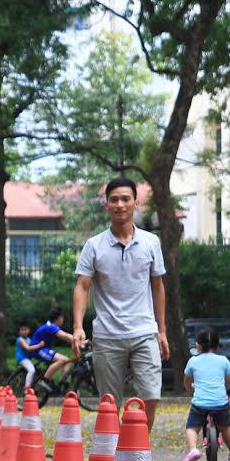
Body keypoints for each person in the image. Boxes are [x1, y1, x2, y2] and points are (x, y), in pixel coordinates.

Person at [71, 176, 170, 432]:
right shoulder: (94, 245)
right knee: (109, 404)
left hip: (144, 332)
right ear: (106, 205)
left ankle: (138, 448)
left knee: (151, 395)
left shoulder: (151, 242)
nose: (120, 204)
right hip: (107, 334)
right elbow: (82, 286)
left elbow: (158, 287)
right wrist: (78, 327)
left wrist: (162, 330)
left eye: (125, 199)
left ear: (135, 203)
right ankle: (116, 457)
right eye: (114, 199)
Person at [180, 330, 230, 461]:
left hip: (200, 403)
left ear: (198, 346)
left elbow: (187, 383)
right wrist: (225, 388)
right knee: (225, 427)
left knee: (192, 428)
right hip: (220, 402)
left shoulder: (193, 361)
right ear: (218, 346)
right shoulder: (223, 360)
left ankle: (193, 450)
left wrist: (192, 388)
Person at [31, 309, 77, 391]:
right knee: (62, 360)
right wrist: (81, 341)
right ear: (59, 318)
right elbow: (65, 336)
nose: (63, 320)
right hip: (37, 349)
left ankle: (63, 384)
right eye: (62, 318)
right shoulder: (50, 326)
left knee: (68, 361)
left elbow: (67, 338)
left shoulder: (51, 325)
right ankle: (44, 381)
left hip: (44, 349)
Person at [15, 322, 41, 389]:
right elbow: (28, 348)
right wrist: (40, 345)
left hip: (28, 358)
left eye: (26, 329)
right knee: (31, 370)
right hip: (22, 359)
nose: (24, 331)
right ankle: (27, 389)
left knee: (37, 370)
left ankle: (35, 387)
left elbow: (34, 347)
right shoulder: (20, 339)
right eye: (22, 330)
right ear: (19, 332)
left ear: (29, 330)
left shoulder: (28, 339)